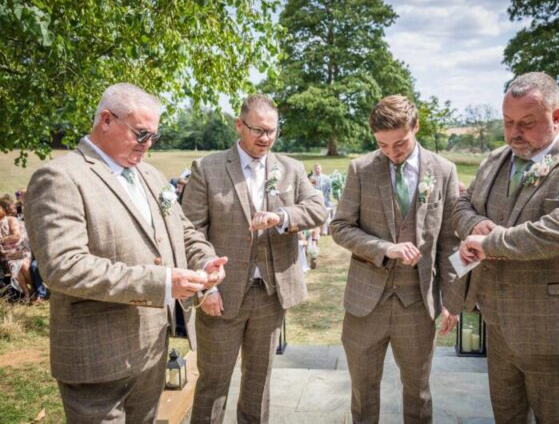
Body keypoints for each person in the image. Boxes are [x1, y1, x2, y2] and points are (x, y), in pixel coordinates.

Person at [24, 83, 225, 423]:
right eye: (141, 134)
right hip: (98, 358)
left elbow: (184, 231)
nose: (147, 145)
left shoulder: (151, 175)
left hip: (152, 351)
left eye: (154, 137)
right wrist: (163, 283)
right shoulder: (60, 177)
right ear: (106, 120)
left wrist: (205, 260)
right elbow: (63, 267)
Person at [446, 72, 559, 423]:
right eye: (508, 122)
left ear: (557, 116)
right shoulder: (495, 160)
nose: (514, 133)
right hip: (499, 325)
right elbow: (461, 205)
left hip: (557, 329)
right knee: (506, 416)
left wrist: (491, 242)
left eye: (527, 122)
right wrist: (474, 224)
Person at [181, 93, 326, 423]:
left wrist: (283, 217)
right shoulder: (207, 168)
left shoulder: (291, 168)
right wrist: (206, 287)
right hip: (222, 295)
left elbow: (317, 209)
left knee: (258, 385)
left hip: (271, 297)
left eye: (272, 131)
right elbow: (189, 231)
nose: (266, 138)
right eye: (258, 130)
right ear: (238, 125)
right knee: (213, 385)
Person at [330, 95, 459, 423]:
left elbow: (449, 243)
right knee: (362, 391)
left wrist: (452, 299)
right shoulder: (360, 169)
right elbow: (340, 228)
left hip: (417, 304)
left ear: (416, 126)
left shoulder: (444, 171)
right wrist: (385, 248)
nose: (392, 152)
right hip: (364, 304)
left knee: (418, 391)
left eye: (399, 143)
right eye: (382, 145)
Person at [0, 205, 31, 303]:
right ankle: (27, 293)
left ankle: (36, 291)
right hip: (8, 256)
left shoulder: (11, 220)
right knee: (15, 267)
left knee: (24, 266)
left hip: (22, 250)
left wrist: (2, 240)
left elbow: (16, 236)